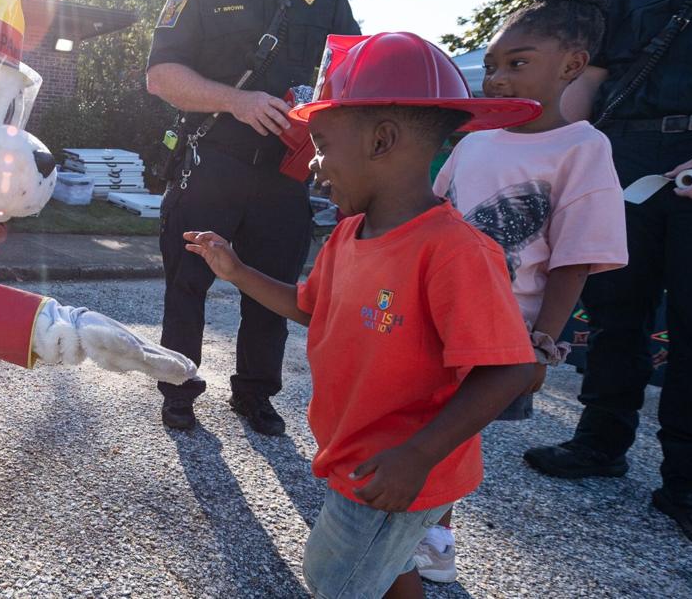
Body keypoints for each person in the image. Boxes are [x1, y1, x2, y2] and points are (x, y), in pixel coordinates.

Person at [185, 32, 541, 598]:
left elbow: (511, 370)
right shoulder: (349, 232)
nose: (314, 164)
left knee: (335, 580)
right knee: (388, 566)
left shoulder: (454, 250)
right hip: (357, 455)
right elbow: (311, 309)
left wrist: (417, 457)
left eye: (322, 143)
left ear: (382, 140)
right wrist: (236, 272)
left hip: (394, 471)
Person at [412, 0, 630, 582]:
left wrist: (543, 337)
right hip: (432, 308)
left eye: (518, 62)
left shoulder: (583, 148)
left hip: (502, 329)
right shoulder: (475, 140)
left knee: (453, 430)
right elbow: (431, 214)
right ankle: (413, 518)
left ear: (571, 65)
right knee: (416, 411)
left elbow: (576, 255)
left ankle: (433, 534)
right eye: (492, 65)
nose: (500, 78)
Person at [525, 0, 692, 553]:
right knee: (614, 306)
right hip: (622, 154)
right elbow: (590, 77)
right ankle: (600, 441)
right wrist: (551, 149)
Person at [145, 0, 360, 434]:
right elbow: (162, 77)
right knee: (187, 285)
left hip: (287, 170)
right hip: (212, 163)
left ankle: (254, 394)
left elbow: (350, 65)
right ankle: (179, 389)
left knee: (273, 291)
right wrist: (236, 101)